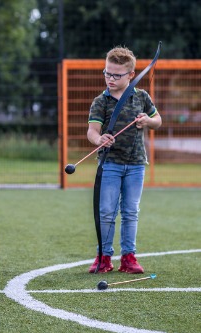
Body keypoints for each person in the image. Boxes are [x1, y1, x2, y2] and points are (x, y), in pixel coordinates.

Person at [87, 46, 162, 274]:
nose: (110, 78)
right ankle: (104, 257)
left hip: (136, 164)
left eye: (116, 75)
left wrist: (147, 122)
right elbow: (92, 132)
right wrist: (100, 139)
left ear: (131, 75)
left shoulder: (141, 97)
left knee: (130, 211)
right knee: (107, 212)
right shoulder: (101, 101)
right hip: (110, 164)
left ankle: (129, 258)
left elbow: (157, 119)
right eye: (107, 73)